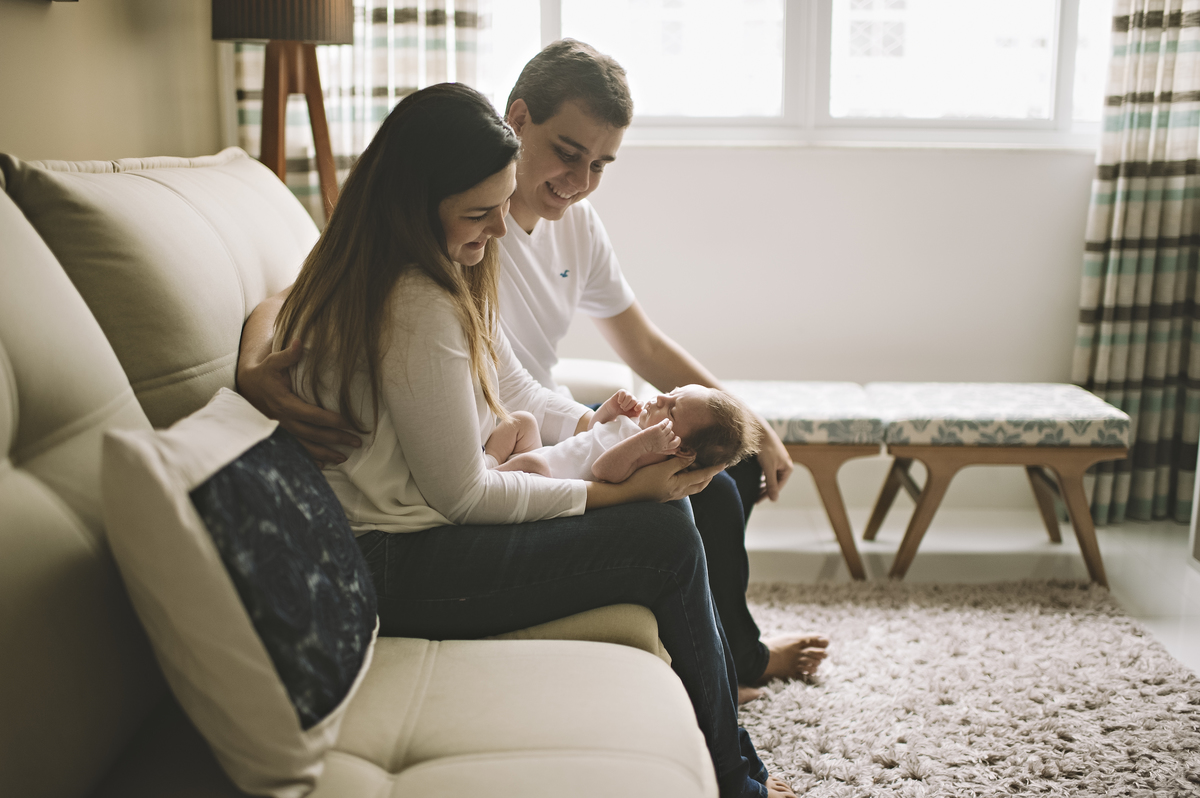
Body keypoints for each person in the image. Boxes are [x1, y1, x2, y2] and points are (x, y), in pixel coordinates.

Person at [237, 40, 828, 701]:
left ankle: (728, 664)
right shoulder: (429, 250)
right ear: (517, 121)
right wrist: (252, 362)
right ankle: (725, 694)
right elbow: (305, 290)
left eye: (600, 164)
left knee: (719, 474)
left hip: (519, 421)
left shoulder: (533, 238)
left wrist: (613, 425)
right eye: (568, 153)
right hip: (476, 460)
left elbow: (616, 350)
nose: (579, 181)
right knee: (671, 519)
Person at [494, 386, 761, 486]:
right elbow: (592, 436)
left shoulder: (652, 455)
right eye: (672, 391)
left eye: (672, 409)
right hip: (541, 457)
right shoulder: (639, 427)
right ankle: (488, 465)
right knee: (522, 421)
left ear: (681, 449)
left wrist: (643, 443)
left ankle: (486, 482)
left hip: (545, 480)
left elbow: (602, 470)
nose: (660, 398)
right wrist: (609, 411)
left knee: (534, 464)